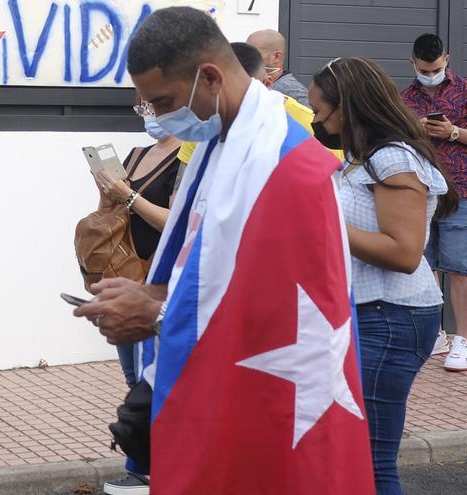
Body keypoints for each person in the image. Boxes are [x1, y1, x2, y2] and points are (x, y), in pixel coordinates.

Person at [76, 7, 374, 493]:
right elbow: (214, 272)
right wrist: (149, 295)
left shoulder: (289, 169)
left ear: (210, 77)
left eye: (164, 101)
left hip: (275, 410)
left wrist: (156, 317)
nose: (157, 116)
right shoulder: (221, 145)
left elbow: (279, 317)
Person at [309, 57, 457, 495]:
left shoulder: (392, 158)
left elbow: (405, 252)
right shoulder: (362, 158)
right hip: (370, 314)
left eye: (322, 110)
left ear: (349, 106)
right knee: (353, 456)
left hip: (393, 318)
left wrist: (321, 221)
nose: (317, 120)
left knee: (371, 461)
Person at [92, 98, 181, 495]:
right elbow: (112, 216)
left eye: (152, 103)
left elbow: (175, 223)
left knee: (153, 376)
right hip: (126, 275)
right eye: (139, 104)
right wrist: (107, 194)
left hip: (157, 281)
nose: (145, 112)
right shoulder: (135, 154)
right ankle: (142, 464)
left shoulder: (187, 157)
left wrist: (128, 196)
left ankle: (152, 468)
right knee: (133, 377)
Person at [400, 33, 467, 372]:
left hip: (460, 190)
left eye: (436, 69)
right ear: (413, 64)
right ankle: (434, 334)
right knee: (422, 265)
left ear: (447, 60)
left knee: (459, 268)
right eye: (424, 71)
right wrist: (415, 129)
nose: (430, 75)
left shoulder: (464, 91)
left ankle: (461, 341)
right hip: (419, 190)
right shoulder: (403, 98)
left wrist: (453, 132)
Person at [178, 41, 343, 166]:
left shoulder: (307, 126)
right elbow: (181, 194)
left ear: (267, 85)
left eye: (242, 96)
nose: (231, 109)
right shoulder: (203, 125)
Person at [246, 29, 310, 106]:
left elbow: (311, 116)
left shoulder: (291, 90)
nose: (246, 57)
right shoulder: (260, 85)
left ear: (276, 57)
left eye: (253, 52)